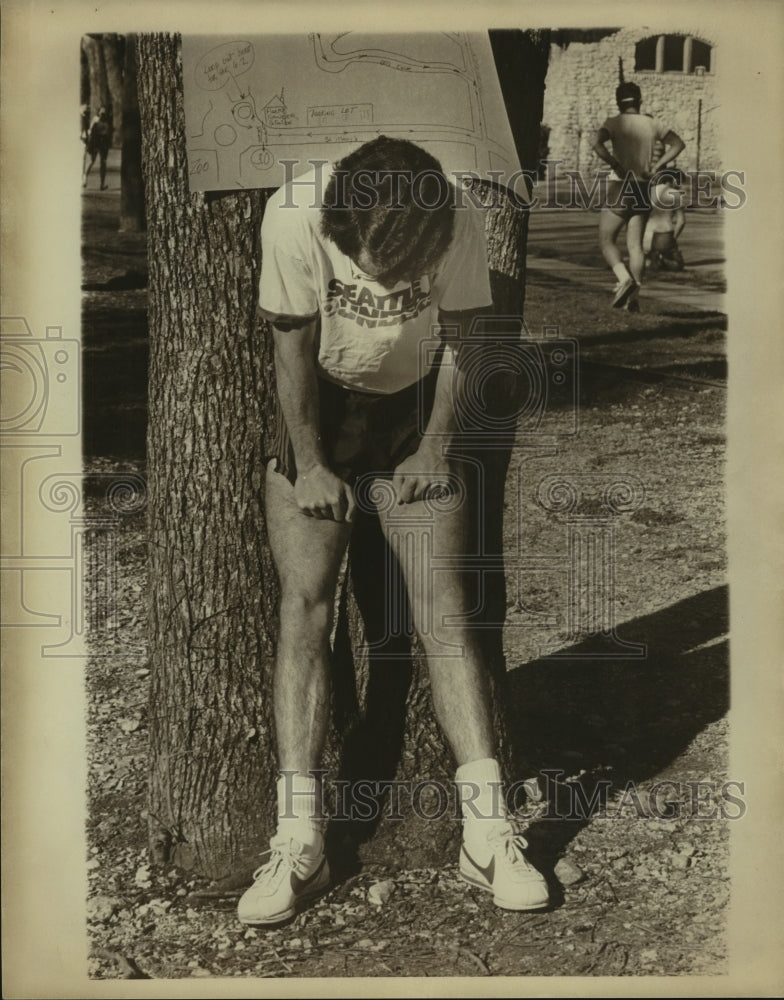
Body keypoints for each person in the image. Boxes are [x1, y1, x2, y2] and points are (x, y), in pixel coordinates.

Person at [237, 136, 550, 926]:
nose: (380, 281)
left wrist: (435, 446)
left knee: (445, 615)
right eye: (369, 265)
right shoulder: (294, 215)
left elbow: (465, 337)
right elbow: (290, 347)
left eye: (397, 268)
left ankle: (487, 835)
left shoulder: (456, 215)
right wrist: (311, 461)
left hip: (416, 402)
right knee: (305, 608)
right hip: (322, 403)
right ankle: (299, 838)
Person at [592, 82, 685, 309]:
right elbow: (678, 144)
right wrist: (658, 166)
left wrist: (614, 163)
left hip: (621, 185)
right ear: (640, 100)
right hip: (644, 187)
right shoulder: (652, 123)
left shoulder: (614, 122)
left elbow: (596, 143)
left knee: (606, 240)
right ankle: (633, 299)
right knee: (635, 247)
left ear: (618, 102)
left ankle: (624, 279)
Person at [644, 168, 686, 273]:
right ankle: (661, 258)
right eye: (680, 182)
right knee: (678, 264)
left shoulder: (648, 190)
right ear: (674, 180)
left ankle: (649, 258)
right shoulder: (675, 194)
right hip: (663, 236)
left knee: (644, 256)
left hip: (644, 235)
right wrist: (673, 239)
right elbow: (681, 221)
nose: (680, 186)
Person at [82, 105, 112, 190]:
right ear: (99, 113)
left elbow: (108, 133)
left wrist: (108, 141)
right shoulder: (95, 120)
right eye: (101, 112)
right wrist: (88, 141)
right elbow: (90, 131)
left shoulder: (107, 121)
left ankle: (102, 184)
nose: (103, 114)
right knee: (92, 161)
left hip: (103, 143)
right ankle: (85, 178)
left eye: (104, 113)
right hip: (95, 141)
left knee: (103, 163)